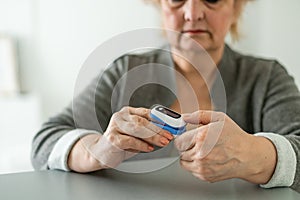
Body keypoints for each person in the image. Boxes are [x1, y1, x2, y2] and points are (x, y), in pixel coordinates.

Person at [31, 0, 300, 192]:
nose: (193, 13)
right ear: (160, 6)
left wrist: (253, 154)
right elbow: (45, 140)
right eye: (177, 0)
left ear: (236, 8)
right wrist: (97, 151)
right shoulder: (125, 71)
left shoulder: (266, 77)